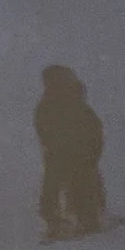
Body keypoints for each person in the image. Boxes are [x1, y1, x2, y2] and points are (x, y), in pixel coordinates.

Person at [35, 63, 107, 240]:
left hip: (77, 153)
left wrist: (92, 150)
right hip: (64, 153)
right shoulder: (52, 103)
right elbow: (42, 126)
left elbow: (94, 129)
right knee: (66, 183)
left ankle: (85, 216)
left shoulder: (72, 102)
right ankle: (66, 217)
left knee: (80, 183)